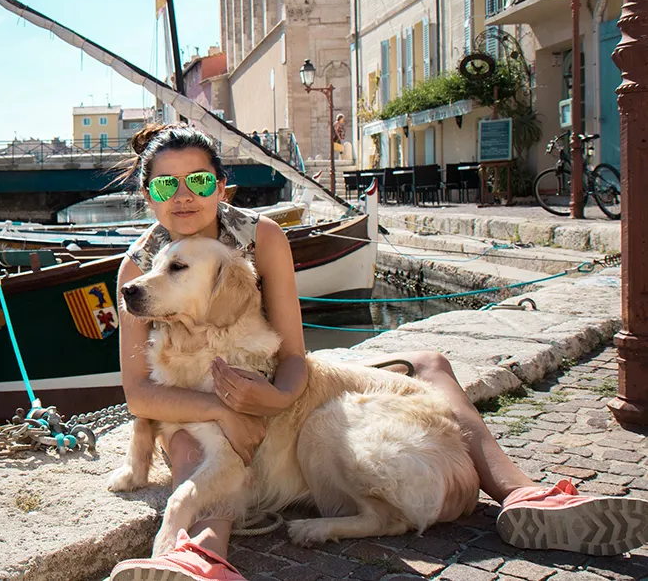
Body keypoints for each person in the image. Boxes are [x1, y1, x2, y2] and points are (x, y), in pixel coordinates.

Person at [108, 123, 648, 581]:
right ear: (148, 194)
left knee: (431, 364)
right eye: (167, 184)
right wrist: (228, 409)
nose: (184, 195)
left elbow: (295, 354)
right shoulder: (138, 271)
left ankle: (523, 495)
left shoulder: (260, 237)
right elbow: (140, 393)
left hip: (279, 381)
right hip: (216, 393)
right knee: (188, 436)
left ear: (222, 187)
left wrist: (272, 401)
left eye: (199, 180)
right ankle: (201, 553)